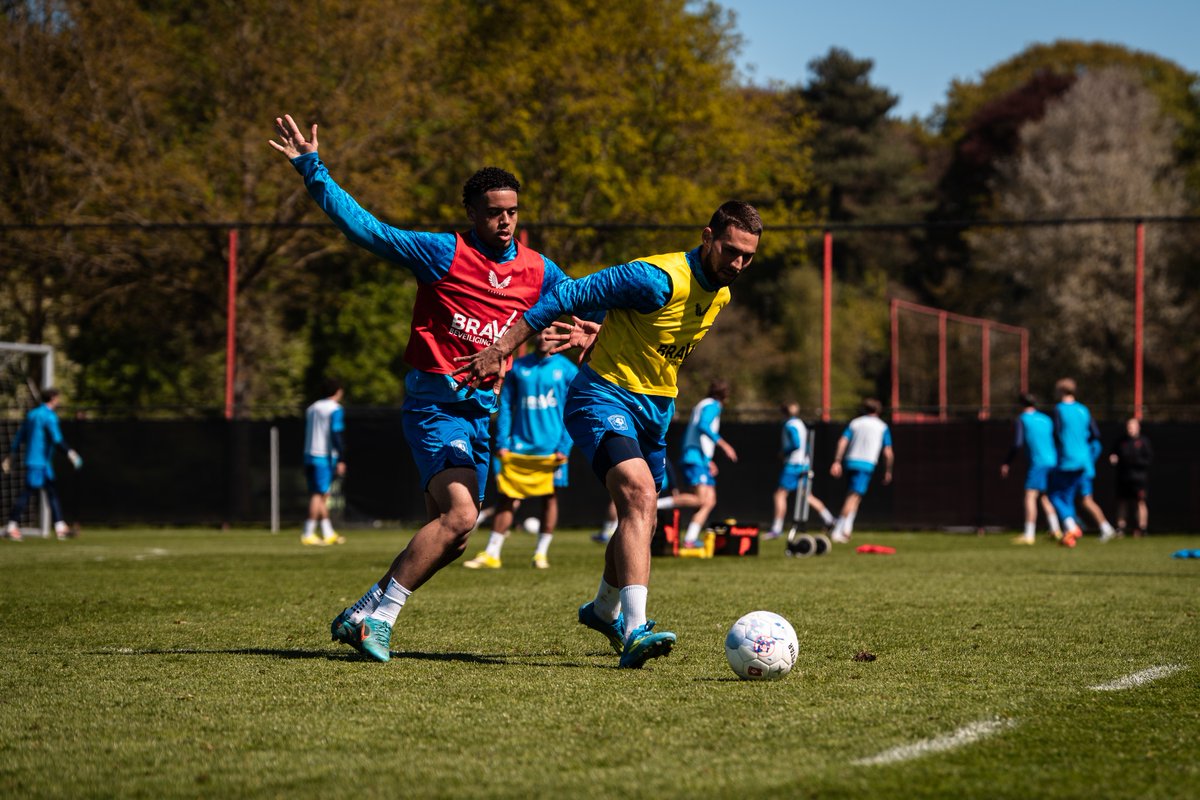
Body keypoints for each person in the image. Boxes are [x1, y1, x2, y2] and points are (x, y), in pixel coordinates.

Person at [271, 114, 579, 663]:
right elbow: (367, 229)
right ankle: (381, 621)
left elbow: (581, 300)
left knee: (456, 536)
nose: (505, 222)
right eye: (493, 213)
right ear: (471, 215)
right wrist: (312, 170)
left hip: (481, 415)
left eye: (512, 212)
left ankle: (362, 612)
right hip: (435, 408)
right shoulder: (442, 253)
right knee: (461, 517)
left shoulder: (540, 270)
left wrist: (587, 329)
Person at [455, 201, 763, 669]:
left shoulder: (720, 291)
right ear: (707, 237)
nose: (738, 263)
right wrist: (501, 348)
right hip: (601, 397)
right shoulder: (653, 278)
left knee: (639, 518)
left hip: (656, 409)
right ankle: (634, 628)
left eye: (747, 256)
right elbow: (568, 293)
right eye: (731, 250)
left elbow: (650, 339)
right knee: (640, 498)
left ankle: (602, 609)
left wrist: (597, 333)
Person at [463, 328, 578, 569]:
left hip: (552, 449)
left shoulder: (567, 370)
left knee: (550, 497)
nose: (544, 337)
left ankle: (541, 553)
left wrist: (565, 445)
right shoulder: (518, 367)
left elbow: (574, 410)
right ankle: (492, 553)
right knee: (508, 497)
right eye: (541, 332)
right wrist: (503, 442)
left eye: (550, 333)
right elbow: (505, 406)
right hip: (519, 446)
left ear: (558, 337)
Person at [2, 389, 82, 541]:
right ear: (53, 398)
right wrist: (71, 454)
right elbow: (57, 439)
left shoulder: (32, 414)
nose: (59, 400)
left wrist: (10, 455)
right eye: (57, 398)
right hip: (38, 462)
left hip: (42, 463)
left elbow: (20, 436)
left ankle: (60, 527)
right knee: (27, 493)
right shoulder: (49, 416)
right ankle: (11, 526)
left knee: (52, 492)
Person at [669, 380, 738, 549]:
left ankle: (690, 539)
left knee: (709, 501)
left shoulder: (702, 404)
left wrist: (708, 460)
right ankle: (656, 504)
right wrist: (724, 445)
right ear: (725, 396)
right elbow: (703, 426)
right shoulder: (713, 405)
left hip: (699, 457)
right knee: (701, 499)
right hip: (694, 456)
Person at [828, 398, 893, 544]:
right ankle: (837, 530)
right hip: (866, 464)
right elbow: (888, 452)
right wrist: (888, 470)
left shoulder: (855, 423)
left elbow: (842, 441)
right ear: (879, 410)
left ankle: (846, 530)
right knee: (852, 497)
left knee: (856, 497)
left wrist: (837, 461)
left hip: (851, 462)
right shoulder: (882, 426)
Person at [1000, 393, 1062, 545]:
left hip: (1039, 462)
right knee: (1044, 496)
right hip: (1053, 460)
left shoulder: (1022, 419)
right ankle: (1056, 530)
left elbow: (1017, 443)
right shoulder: (1046, 419)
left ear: (1021, 405)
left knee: (1030, 495)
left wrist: (1007, 462)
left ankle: (1029, 534)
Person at [766, 401, 834, 539]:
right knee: (806, 496)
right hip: (804, 464)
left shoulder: (790, 425)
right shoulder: (801, 424)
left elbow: (796, 443)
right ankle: (830, 520)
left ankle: (776, 529)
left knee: (780, 495)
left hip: (793, 464)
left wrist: (783, 452)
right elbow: (806, 446)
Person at [1046, 377, 1101, 548]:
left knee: (1054, 495)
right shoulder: (1083, 410)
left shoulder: (1059, 409)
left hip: (1067, 459)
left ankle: (1071, 526)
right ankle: (1070, 533)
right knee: (1069, 496)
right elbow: (1095, 434)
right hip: (1084, 460)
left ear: (1061, 391)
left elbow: (1055, 433)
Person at [301, 379, 347, 546]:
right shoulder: (334, 409)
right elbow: (336, 433)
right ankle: (308, 532)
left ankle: (328, 533)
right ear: (338, 391)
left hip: (309, 454)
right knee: (318, 495)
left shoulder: (312, 408)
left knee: (322, 494)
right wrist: (341, 458)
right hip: (324, 456)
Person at [1109, 417, 1153, 537]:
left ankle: (1142, 528)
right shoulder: (1121, 441)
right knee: (1122, 502)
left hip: (1138, 478)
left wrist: (1134, 461)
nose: (1130, 429)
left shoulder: (1144, 441)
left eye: (1132, 426)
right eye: (1128, 426)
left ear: (1138, 427)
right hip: (1123, 477)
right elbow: (1113, 454)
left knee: (1140, 502)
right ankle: (1120, 528)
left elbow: (1148, 460)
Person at [1077, 437, 1118, 543]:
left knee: (1086, 501)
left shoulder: (1091, 442)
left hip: (1083, 473)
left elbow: (1097, 448)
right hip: (1080, 471)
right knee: (1081, 501)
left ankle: (1106, 528)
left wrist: (1087, 463)